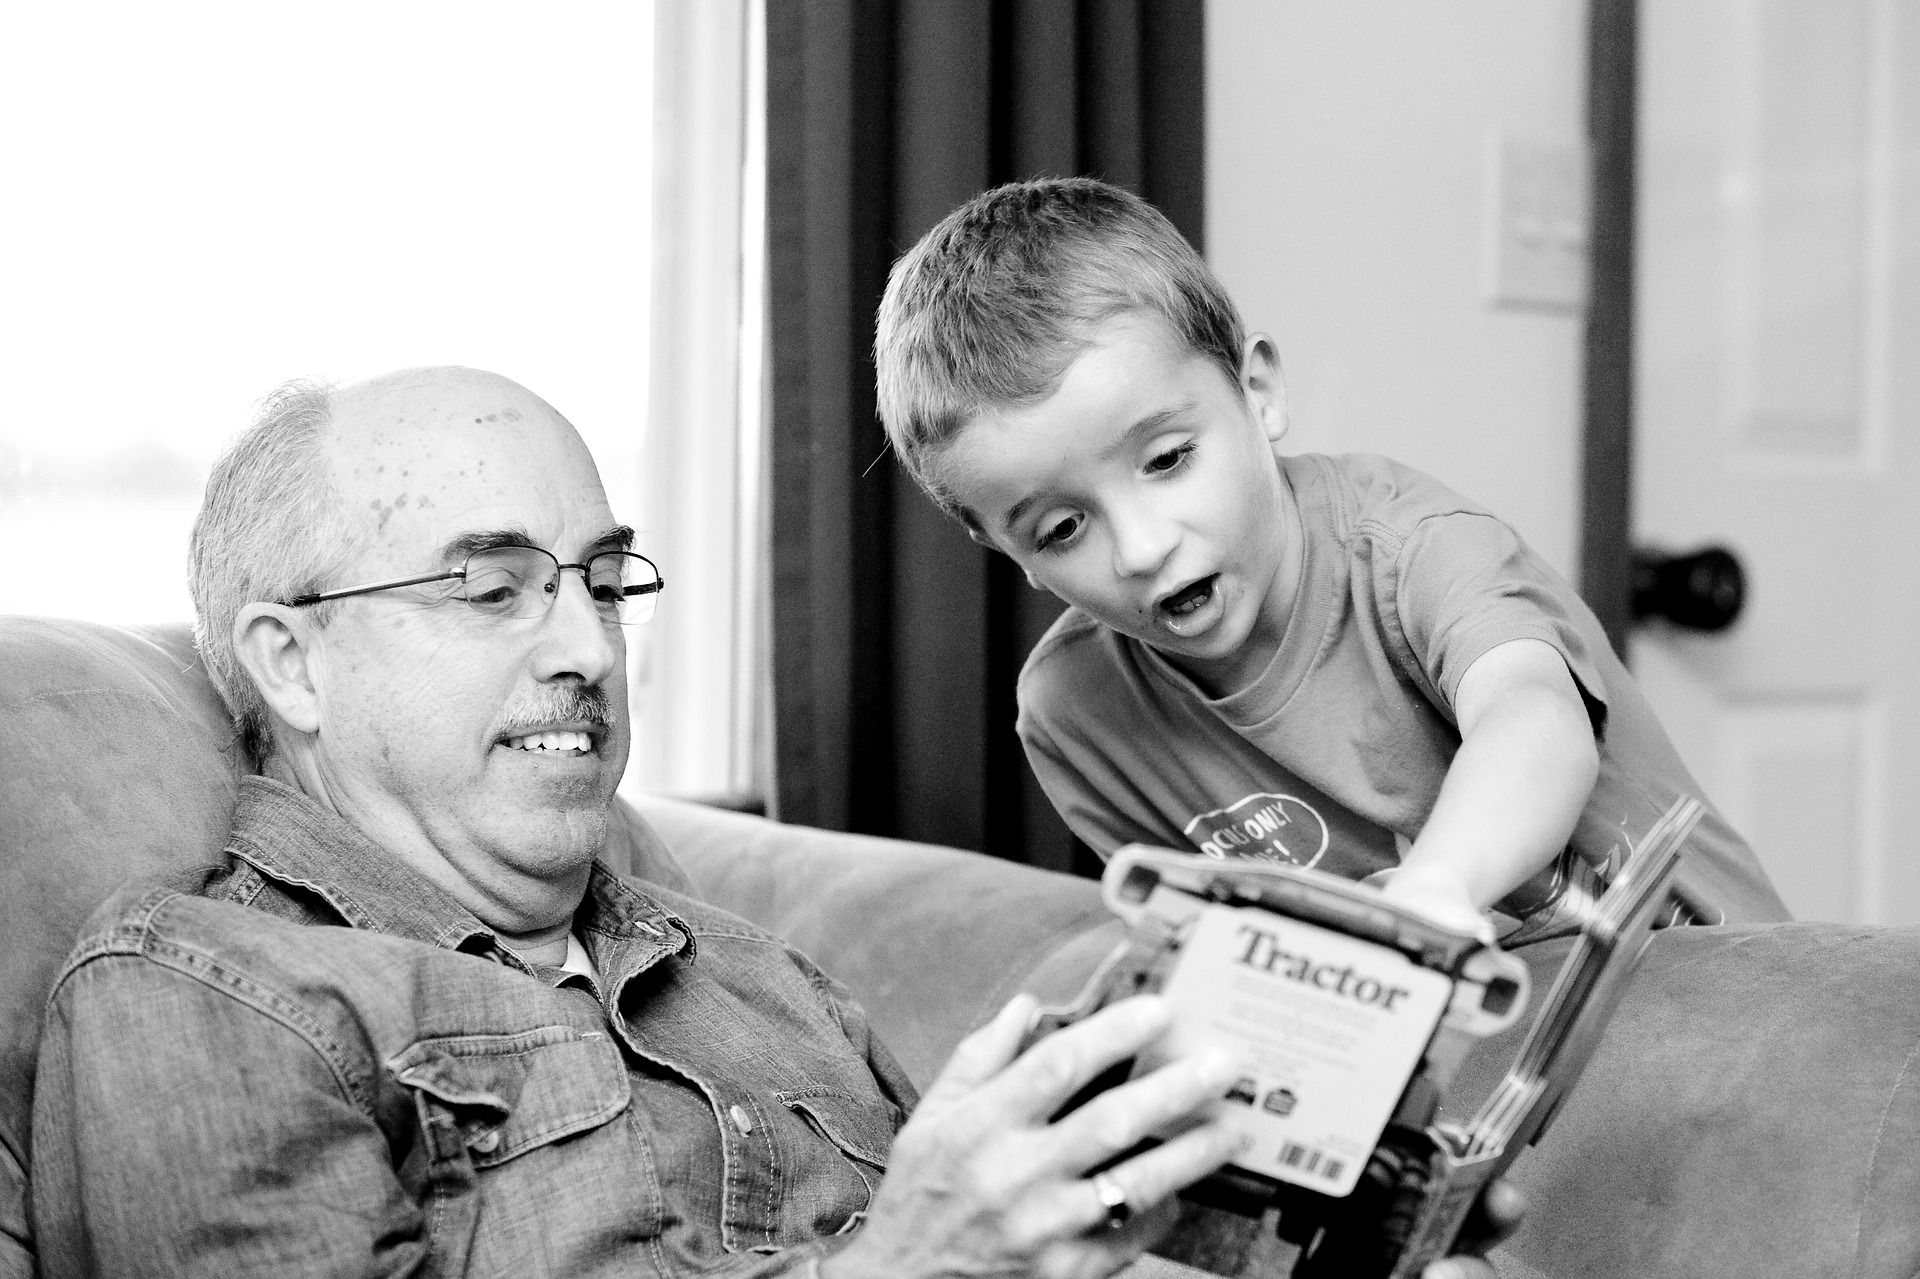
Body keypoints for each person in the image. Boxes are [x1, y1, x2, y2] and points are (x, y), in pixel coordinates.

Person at [29, 367, 1512, 1277]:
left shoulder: (747, 970)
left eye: (604, 580)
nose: (587, 647)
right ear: (290, 660)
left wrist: (1290, 1209)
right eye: (492, 587)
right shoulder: (210, 988)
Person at [873, 178, 1790, 942]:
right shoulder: (1077, 717)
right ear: (1005, 550)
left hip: (1718, 995)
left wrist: (1435, 888)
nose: (1145, 548)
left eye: (1167, 460)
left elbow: (1533, 717)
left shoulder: (1414, 546)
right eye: (1063, 529)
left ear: (1259, 392)